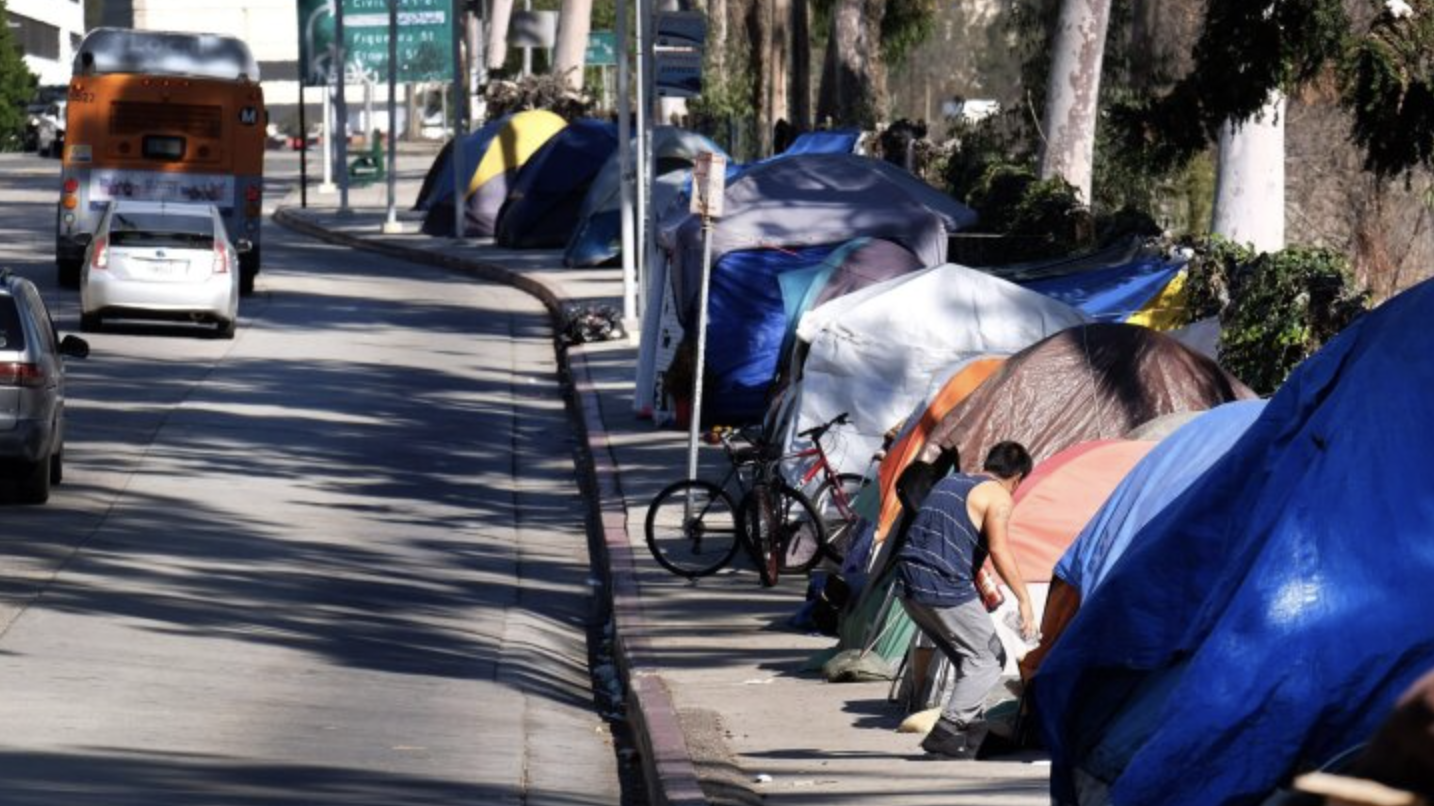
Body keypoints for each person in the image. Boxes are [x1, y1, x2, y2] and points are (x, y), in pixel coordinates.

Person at [893, 440, 1038, 759]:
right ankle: (946, 732)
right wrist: (1025, 600)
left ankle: (974, 733)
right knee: (988, 657)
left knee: (967, 657)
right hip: (941, 582)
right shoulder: (998, 495)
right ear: (1016, 478)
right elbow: (999, 549)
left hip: (907, 583)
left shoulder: (952, 481)